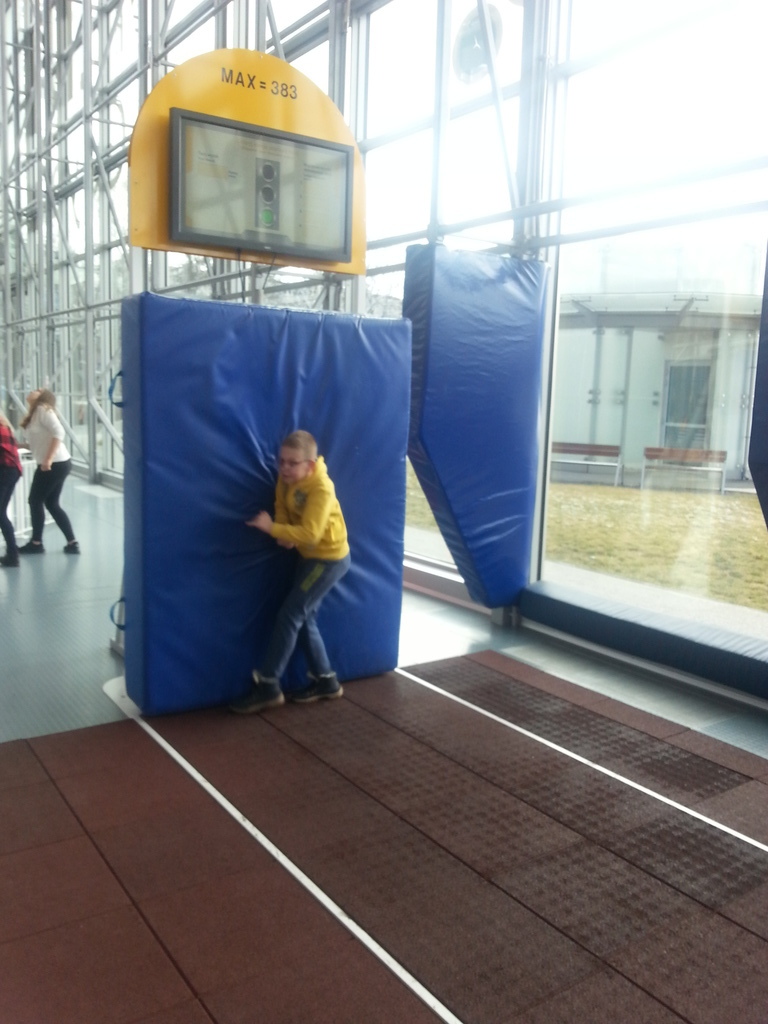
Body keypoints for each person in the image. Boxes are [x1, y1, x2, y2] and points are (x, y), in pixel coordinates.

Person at [230, 429, 351, 713]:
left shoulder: (321, 488)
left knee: (290, 614)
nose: (284, 467)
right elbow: (281, 505)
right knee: (303, 616)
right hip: (309, 557)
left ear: (310, 465)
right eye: (282, 461)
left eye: (292, 463)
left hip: (328, 560)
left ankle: (268, 685)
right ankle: (326, 681)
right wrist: (284, 531)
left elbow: (310, 534)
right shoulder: (286, 480)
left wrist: (272, 528)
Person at [18, 389, 79, 555]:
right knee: (51, 503)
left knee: (35, 500)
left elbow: (59, 432)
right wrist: (16, 445)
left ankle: (36, 543)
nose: (32, 391)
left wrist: (48, 459)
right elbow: (37, 443)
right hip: (58, 463)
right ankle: (72, 543)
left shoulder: (42, 409)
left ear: (43, 397)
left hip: (54, 463)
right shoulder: (35, 414)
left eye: (37, 391)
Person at [0, 410, 22, 567]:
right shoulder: (6, 428)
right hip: (12, 471)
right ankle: (12, 554)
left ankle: (13, 555)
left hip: (5, 471)